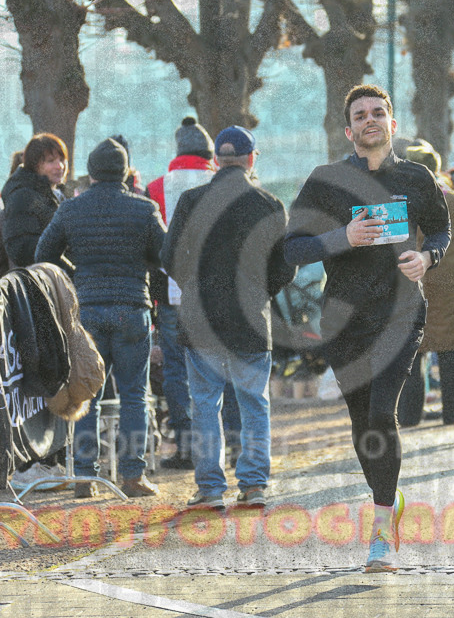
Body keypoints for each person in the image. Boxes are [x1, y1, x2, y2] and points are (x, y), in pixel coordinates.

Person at [284, 84, 450, 572]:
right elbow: (293, 248)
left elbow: (441, 229)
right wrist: (342, 237)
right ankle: (388, 499)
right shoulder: (326, 180)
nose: (369, 120)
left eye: (378, 112)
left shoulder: (417, 177)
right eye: (360, 115)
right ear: (348, 128)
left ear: (392, 124)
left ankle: (380, 533)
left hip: (400, 314)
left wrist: (427, 256)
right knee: (363, 426)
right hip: (345, 320)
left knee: (382, 413)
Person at [162, 125, 295, 511]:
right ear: (252, 159)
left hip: (200, 320)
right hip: (250, 321)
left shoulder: (190, 200)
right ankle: (254, 485)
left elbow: (170, 257)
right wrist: (258, 292)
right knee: (254, 403)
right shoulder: (269, 203)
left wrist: (195, 287)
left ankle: (210, 488)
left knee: (205, 404)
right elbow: (286, 267)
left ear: (216, 160)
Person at [36, 138, 166, 498]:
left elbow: (43, 253)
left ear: (90, 173)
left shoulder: (71, 210)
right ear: (125, 172)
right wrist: (141, 264)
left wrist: (78, 272)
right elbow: (165, 253)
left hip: (88, 310)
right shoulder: (144, 209)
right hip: (132, 307)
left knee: (85, 393)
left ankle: (84, 476)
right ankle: (133, 476)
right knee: (134, 396)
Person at [398, 140, 454, 427]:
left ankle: (410, 418)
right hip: (451, 284)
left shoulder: (398, 199)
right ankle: (451, 416)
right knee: (449, 356)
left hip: (412, 282)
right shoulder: (448, 197)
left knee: (412, 357)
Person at [147, 116, 217, 470]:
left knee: (175, 370)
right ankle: (225, 445)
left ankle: (186, 447)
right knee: (219, 369)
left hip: (173, 293)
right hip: (218, 295)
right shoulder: (222, 181)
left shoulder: (158, 186)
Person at [0, 133, 71, 271]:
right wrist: (72, 271)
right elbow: (23, 250)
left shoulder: (58, 194)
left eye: (62, 159)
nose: (60, 166)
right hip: (42, 282)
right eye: (51, 161)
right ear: (35, 165)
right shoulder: (23, 197)